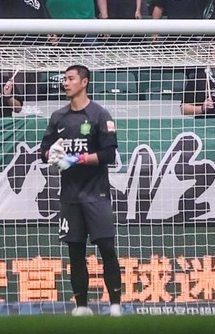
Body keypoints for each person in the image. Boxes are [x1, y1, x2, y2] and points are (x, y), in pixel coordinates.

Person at [38, 63, 121, 311]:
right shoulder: (58, 117)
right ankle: (81, 306)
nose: (65, 83)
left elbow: (108, 156)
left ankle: (115, 306)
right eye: (64, 79)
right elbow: (43, 153)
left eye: (70, 78)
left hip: (97, 194)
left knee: (106, 248)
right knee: (75, 252)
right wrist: (52, 155)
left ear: (84, 82)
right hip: (70, 195)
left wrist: (76, 159)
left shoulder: (99, 115)